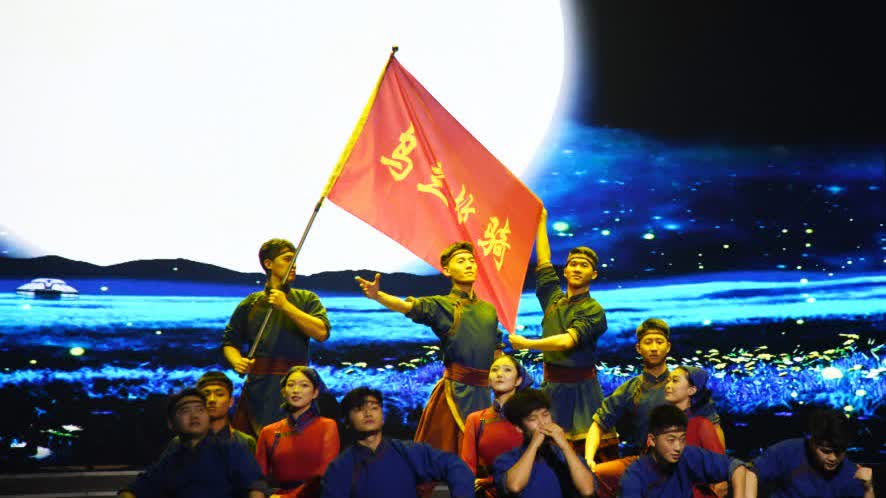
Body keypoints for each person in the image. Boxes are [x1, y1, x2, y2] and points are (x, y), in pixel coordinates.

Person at [355, 241, 502, 453]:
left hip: (486, 394)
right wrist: (378, 296)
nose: (469, 265)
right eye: (461, 261)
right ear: (447, 270)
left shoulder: (488, 310)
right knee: (449, 455)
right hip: (455, 393)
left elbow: (497, 351)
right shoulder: (442, 305)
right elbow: (408, 306)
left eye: (471, 260)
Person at [585, 318, 723, 498]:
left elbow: (714, 428)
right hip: (645, 462)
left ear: (668, 346)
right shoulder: (630, 389)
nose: (654, 348)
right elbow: (598, 423)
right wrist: (589, 458)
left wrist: (719, 472)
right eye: (648, 342)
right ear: (638, 348)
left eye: (659, 342)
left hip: (683, 462)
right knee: (595, 475)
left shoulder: (684, 384)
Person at [509, 209, 607, 450]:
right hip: (552, 388)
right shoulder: (553, 299)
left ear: (593, 274)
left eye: (584, 265)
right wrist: (541, 222)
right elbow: (544, 262)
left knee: (586, 453)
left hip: (583, 393)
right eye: (573, 264)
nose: (577, 268)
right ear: (565, 270)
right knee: (548, 451)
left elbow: (566, 341)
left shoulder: (594, 310)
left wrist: (528, 344)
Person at [222, 238, 331, 436]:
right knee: (257, 442)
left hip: (298, 385)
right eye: (288, 259)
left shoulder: (307, 299)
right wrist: (237, 361)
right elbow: (230, 342)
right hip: (259, 387)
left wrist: (286, 306)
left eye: (295, 260)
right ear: (269, 264)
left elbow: (321, 333)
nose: (294, 264)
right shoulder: (250, 303)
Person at [320, 387, 474, 498]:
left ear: (383, 417)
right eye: (359, 409)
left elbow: (454, 465)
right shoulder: (339, 467)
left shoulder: (407, 452)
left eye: (374, 408)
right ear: (347, 421)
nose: (368, 413)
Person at [118, 388, 267, 498]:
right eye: (185, 411)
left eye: (200, 410)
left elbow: (256, 487)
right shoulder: (170, 462)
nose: (194, 415)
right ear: (171, 423)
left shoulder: (232, 450)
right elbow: (132, 490)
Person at [617, 405, 750, 498]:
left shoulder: (687, 455)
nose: (678, 447)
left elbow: (737, 467)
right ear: (652, 440)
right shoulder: (634, 476)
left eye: (682, 439)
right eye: (671, 440)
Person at [747, 408, 874, 498]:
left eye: (839, 451)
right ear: (812, 442)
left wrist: (868, 489)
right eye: (825, 451)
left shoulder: (851, 472)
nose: (833, 458)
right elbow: (750, 473)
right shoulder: (787, 451)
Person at [492, 388, 595, 498]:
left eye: (545, 415)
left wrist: (565, 446)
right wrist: (534, 445)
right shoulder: (507, 459)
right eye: (532, 419)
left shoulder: (564, 455)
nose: (542, 423)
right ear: (519, 428)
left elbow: (587, 490)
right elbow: (514, 486)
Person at [256, 366, 340, 498]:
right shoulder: (268, 432)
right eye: (291, 385)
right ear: (283, 391)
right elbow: (257, 478)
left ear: (315, 393)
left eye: (304, 385)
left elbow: (325, 473)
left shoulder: (327, 426)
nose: (296, 390)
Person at [461, 355, 533, 497]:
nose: (499, 374)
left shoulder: (531, 418)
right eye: (494, 370)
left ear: (518, 380)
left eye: (507, 370)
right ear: (488, 380)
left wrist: (491, 481)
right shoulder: (476, 419)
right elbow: (467, 466)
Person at [664, 366, 726, 498]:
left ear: (691, 390)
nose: (668, 385)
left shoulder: (701, 425)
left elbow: (719, 472)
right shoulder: (661, 423)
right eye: (668, 381)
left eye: (675, 381)